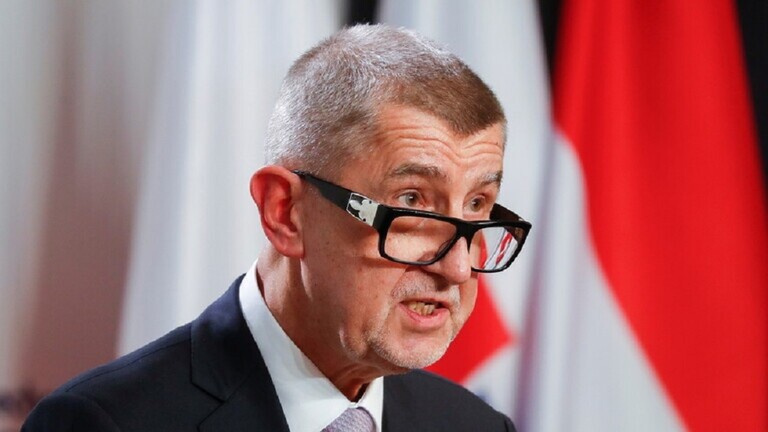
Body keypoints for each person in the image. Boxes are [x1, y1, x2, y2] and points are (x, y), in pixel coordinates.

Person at [23, 24, 531, 432]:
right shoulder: (105, 422)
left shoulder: (475, 426)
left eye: (477, 205)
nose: (458, 268)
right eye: (412, 203)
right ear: (285, 211)